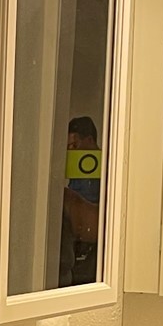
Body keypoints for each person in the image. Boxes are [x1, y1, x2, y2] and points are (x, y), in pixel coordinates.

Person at [60, 115, 102, 286]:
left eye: (74, 146)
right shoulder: (76, 173)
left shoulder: (108, 170)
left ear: (90, 140)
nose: (71, 152)